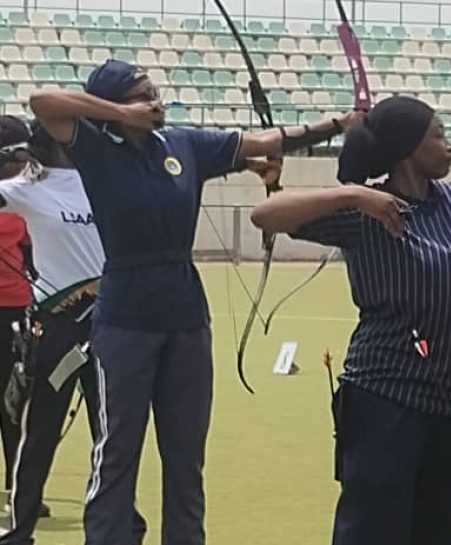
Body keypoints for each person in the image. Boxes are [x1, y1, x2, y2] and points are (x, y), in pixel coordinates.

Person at [28, 59, 358, 545]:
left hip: (185, 312)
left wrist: (339, 124)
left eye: (154, 91)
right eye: (142, 93)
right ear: (114, 104)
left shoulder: (183, 144)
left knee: (186, 456)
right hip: (124, 315)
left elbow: (266, 142)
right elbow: (43, 102)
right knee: (118, 449)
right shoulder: (95, 147)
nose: (156, 100)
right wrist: (121, 115)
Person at [250, 95, 451, 545]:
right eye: (438, 136)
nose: (450, 146)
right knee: (374, 530)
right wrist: (353, 194)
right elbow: (264, 215)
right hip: (387, 398)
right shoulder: (365, 211)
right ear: (407, 149)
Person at [0, 116, 149, 545]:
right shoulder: (24, 190)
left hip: (113, 321)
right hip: (59, 327)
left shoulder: (105, 179)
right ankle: (21, 525)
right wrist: (8, 159)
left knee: (113, 430)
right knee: (40, 429)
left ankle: (122, 522)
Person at [0, 210, 29, 514]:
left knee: (13, 406)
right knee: (11, 406)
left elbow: (32, 261)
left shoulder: (19, 214)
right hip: (14, 312)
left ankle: (16, 488)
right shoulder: (18, 215)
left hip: (15, 314)